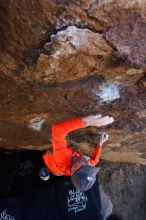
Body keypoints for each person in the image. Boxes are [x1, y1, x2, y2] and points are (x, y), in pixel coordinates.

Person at [40, 114, 114, 192]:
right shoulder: (86, 165)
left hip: (53, 165)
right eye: (89, 168)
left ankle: (46, 173)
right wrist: (100, 144)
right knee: (60, 173)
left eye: (85, 165)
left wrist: (85, 122)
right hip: (65, 170)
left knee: (54, 171)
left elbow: (57, 130)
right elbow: (94, 161)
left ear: (74, 168)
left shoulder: (62, 159)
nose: (87, 161)